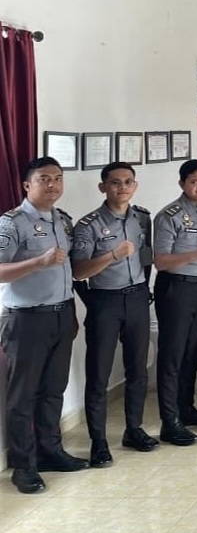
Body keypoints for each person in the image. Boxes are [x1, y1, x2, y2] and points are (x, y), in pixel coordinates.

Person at [0, 157, 88, 494]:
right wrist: (38, 262)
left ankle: (51, 451)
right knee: (23, 395)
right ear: (27, 185)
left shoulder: (62, 221)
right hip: (26, 318)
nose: (52, 184)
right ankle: (24, 466)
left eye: (57, 178)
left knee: (53, 389)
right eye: (44, 179)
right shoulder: (12, 223)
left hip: (60, 314)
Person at [71, 162, 157, 467]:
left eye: (128, 182)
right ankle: (98, 442)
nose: (122, 187)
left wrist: (144, 288)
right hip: (105, 301)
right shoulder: (88, 225)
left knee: (138, 369)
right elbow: (79, 271)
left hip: (137, 298)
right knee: (99, 374)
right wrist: (112, 255)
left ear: (135, 185)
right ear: (103, 187)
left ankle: (134, 429)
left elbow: (146, 258)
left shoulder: (142, 218)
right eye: (115, 182)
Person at [152, 160, 197, 448]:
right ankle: (170, 421)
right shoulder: (170, 215)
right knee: (173, 355)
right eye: (194, 182)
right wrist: (196, 254)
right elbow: (161, 261)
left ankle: (186, 408)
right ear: (182, 184)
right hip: (176, 287)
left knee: (193, 351)